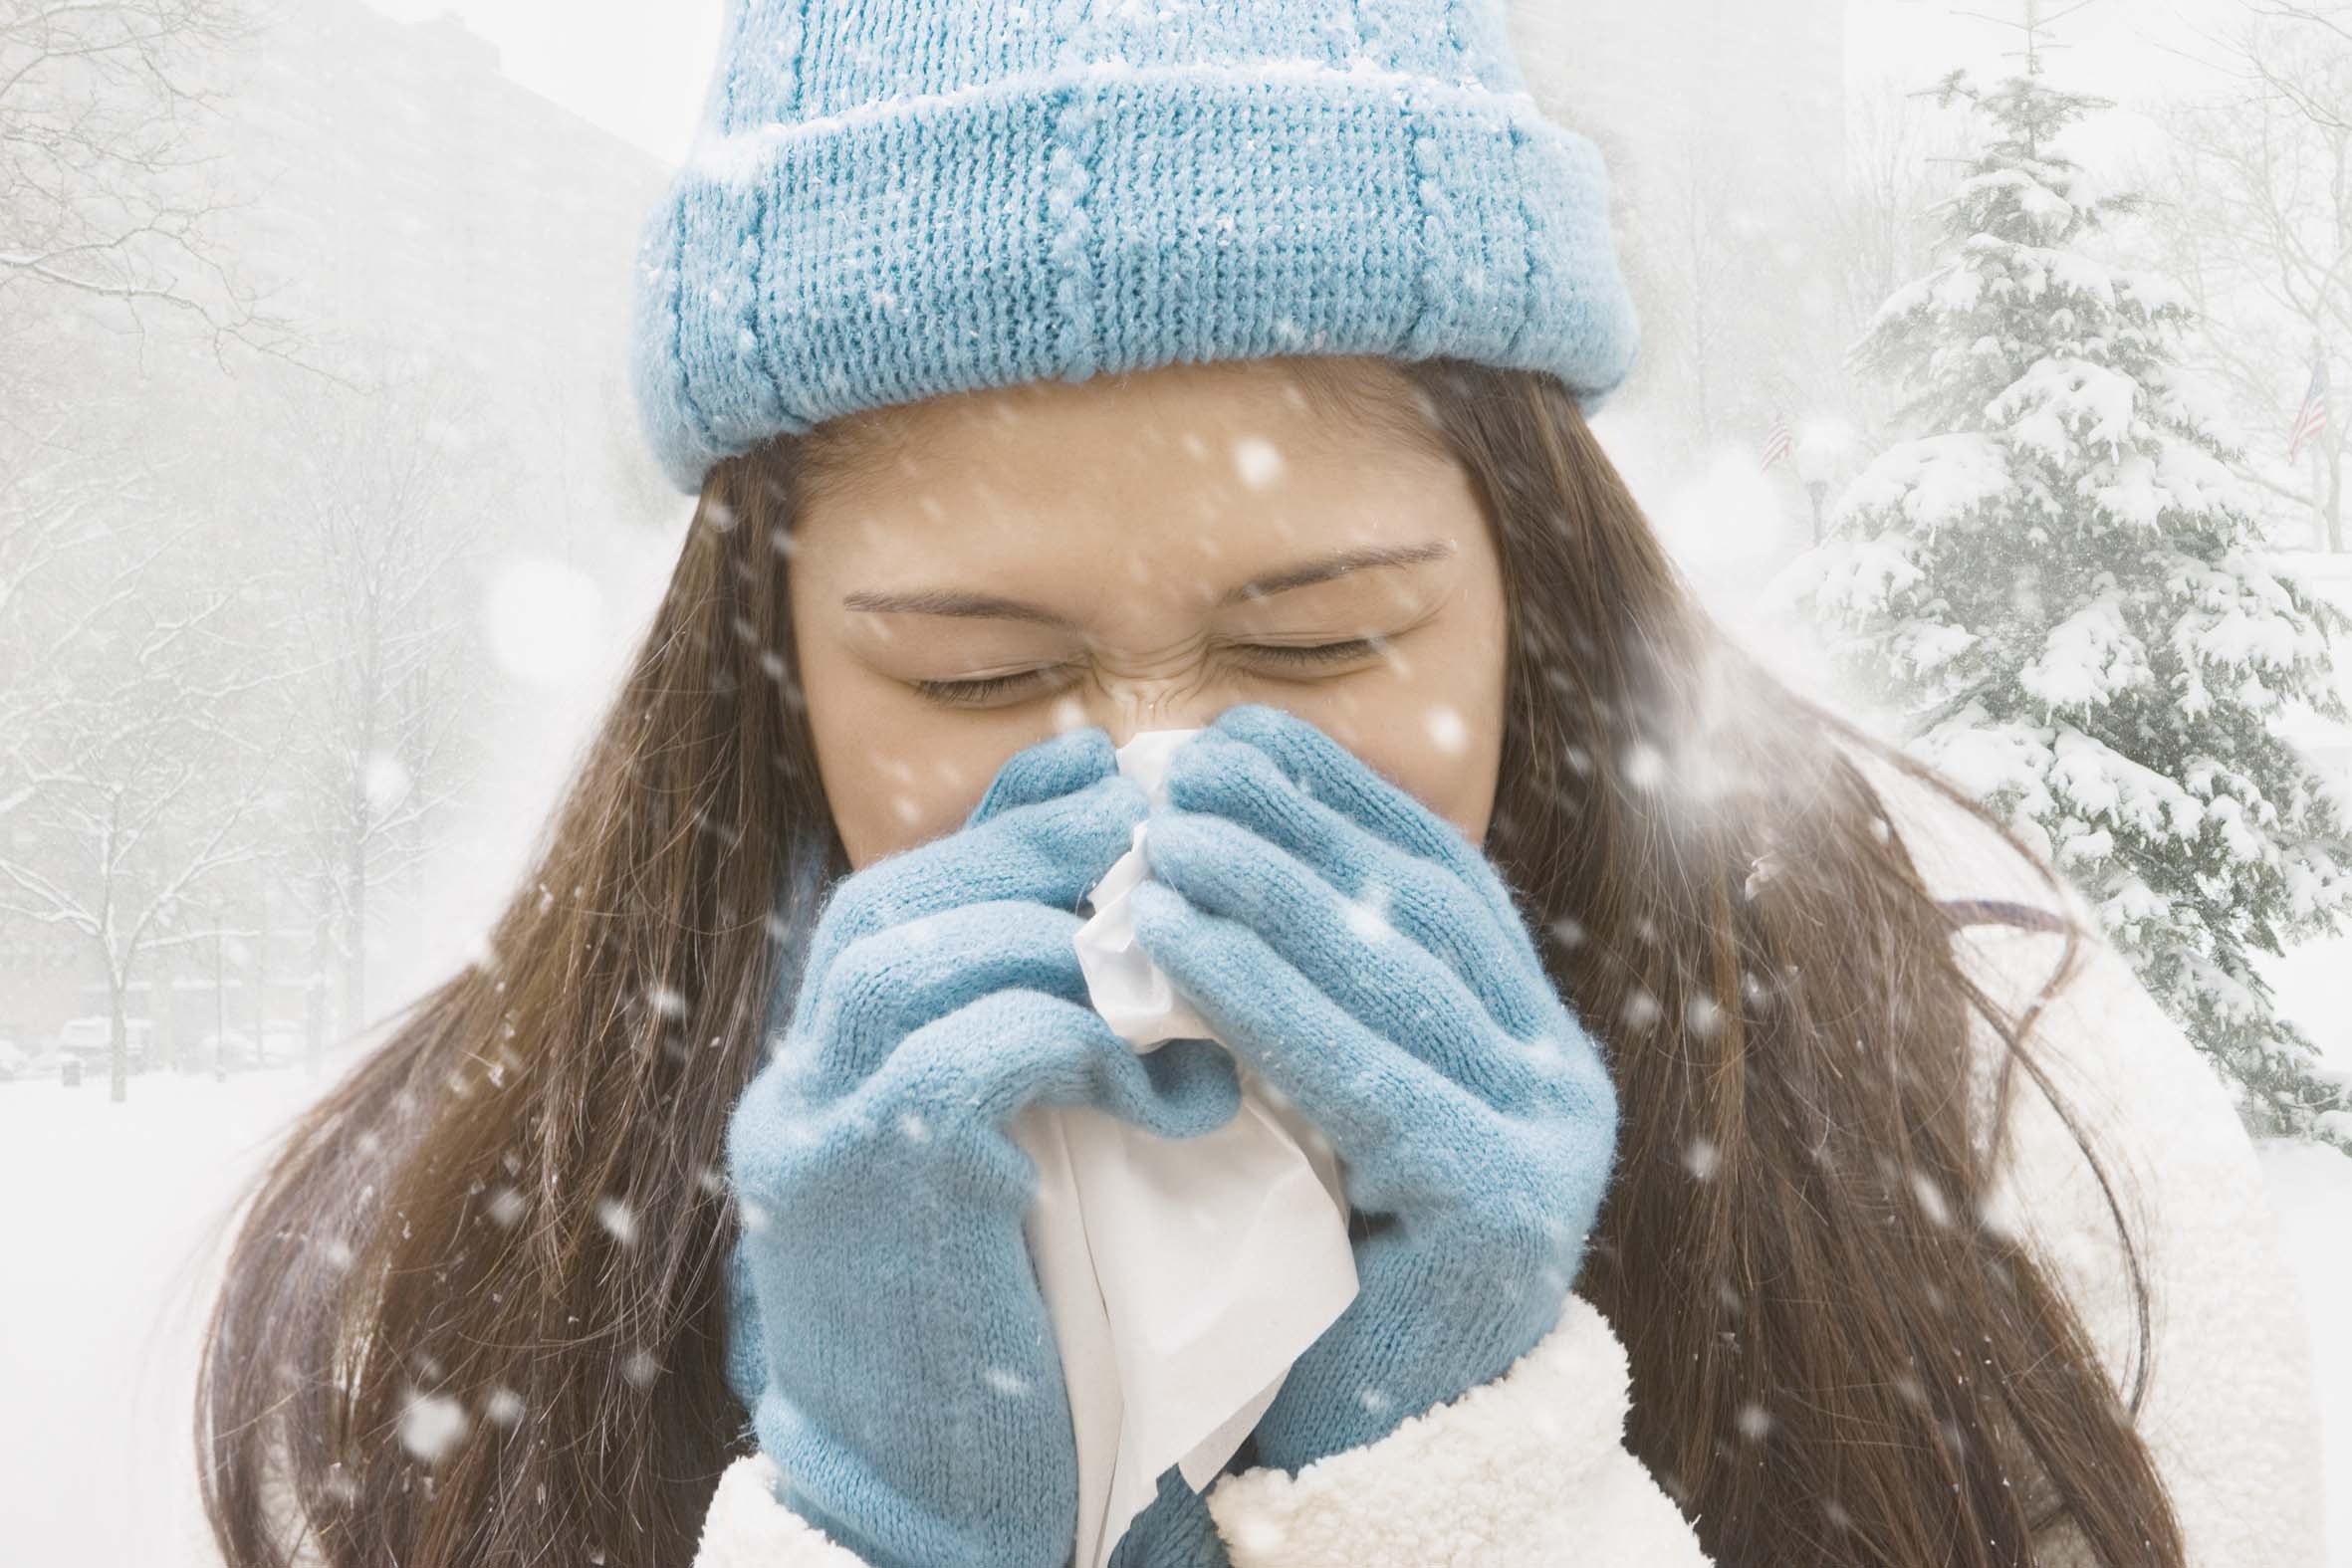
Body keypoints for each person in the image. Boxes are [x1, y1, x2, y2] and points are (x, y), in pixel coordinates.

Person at [196, 4, 2325, 1567]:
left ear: (1533, 598)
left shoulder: (1999, 1132)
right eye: (976, 668)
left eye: (1318, 642)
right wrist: (874, 1522)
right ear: (762, 670)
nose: (1157, 771)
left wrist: (1457, 1482)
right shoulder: (452, 1255)